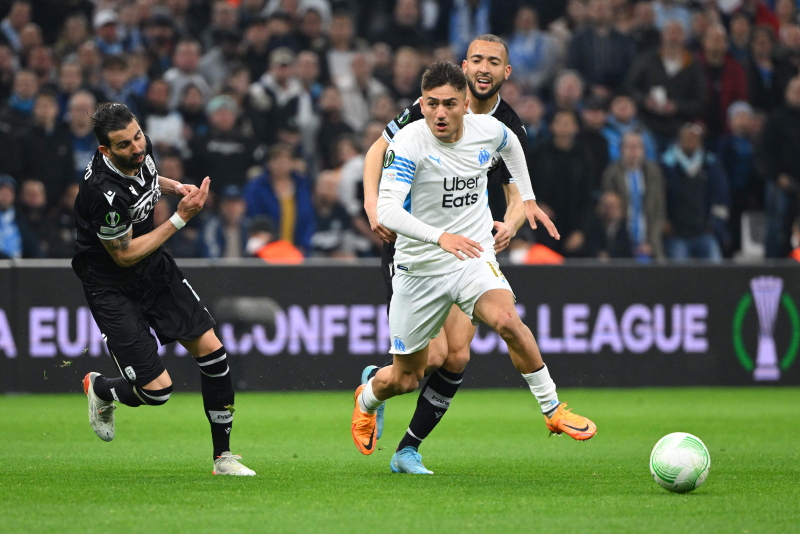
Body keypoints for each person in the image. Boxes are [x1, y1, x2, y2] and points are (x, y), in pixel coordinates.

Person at [352, 61, 596, 472]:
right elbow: (389, 210)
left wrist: (528, 199)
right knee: (408, 376)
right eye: (431, 104)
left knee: (506, 321)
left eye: (449, 104)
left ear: (466, 105)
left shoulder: (489, 129)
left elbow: (511, 146)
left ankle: (553, 409)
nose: (440, 113)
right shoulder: (409, 142)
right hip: (419, 267)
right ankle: (368, 397)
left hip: (471, 256)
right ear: (421, 105)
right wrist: (440, 237)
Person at [361, 35, 531, 472]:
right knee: (431, 358)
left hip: (466, 248)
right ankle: (375, 386)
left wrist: (510, 224)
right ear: (464, 66)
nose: (484, 68)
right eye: (476, 59)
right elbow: (378, 149)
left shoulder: (508, 126)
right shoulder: (434, 106)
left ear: (506, 72)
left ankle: (408, 449)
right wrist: (372, 205)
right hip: (416, 248)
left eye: (493, 61)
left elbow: (516, 193)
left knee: (458, 355)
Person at [74, 102, 254, 476]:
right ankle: (102, 389)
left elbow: (149, 178)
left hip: (154, 270)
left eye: (138, 136)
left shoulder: (139, 150)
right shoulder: (103, 193)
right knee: (157, 392)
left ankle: (223, 458)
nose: (137, 147)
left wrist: (175, 188)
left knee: (214, 354)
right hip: (111, 285)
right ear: (106, 150)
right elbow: (124, 254)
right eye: (124, 145)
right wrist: (180, 218)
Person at [602, 132, 667, 259]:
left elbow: (658, 211)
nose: (633, 150)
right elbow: (609, 211)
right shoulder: (611, 173)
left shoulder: (653, 172)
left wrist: (651, 242)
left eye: (637, 146)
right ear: (621, 149)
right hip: (621, 242)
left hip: (648, 240)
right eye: (629, 146)